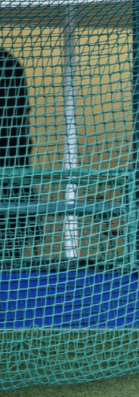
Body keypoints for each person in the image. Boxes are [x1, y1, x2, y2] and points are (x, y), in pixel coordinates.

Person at [0, 48, 39, 263]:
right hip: (15, 173)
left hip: (13, 177)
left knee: (10, 248)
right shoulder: (9, 63)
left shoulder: (8, 64)